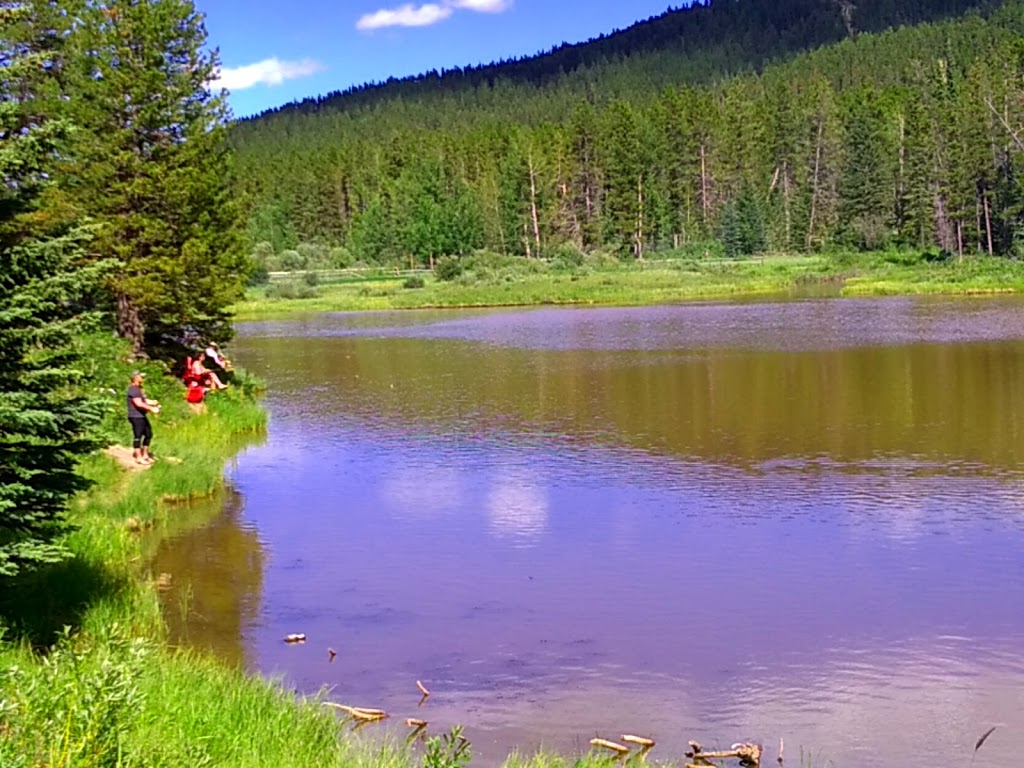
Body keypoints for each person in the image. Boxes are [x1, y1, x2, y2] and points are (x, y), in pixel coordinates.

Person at [126, 371, 160, 465]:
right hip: (135, 416)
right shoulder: (133, 389)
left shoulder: (139, 389)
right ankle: (138, 457)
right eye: (141, 376)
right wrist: (152, 409)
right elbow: (138, 403)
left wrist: (152, 402)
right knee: (138, 436)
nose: (142, 378)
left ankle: (145, 455)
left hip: (141, 415)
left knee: (148, 434)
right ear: (135, 378)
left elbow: (143, 400)